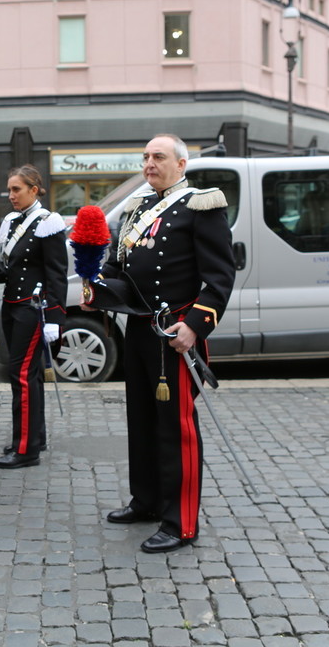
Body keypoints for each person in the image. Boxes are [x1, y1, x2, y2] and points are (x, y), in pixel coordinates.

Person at [94, 134, 235, 553]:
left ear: (182, 163)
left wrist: (196, 325)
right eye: (145, 157)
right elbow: (122, 271)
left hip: (175, 332)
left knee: (176, 429)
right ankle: (148, 501)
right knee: (141, 422)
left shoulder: (200, 205)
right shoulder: (139, 208)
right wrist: (96, 283)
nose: (149, 163)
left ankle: (181, 522)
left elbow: (220, 277)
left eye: (158, 156)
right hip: (139, 329)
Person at [0, 165, 67, 468]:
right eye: (9, 189)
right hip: (11, 305)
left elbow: (57, 274)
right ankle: (35, 437)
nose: (11, 195)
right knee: (27, 377)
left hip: (33, 308)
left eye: (17, 189)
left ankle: (25, 449)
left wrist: (56, 318)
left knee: (21, 376)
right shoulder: (10, 222)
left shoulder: (48, 223)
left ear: (34, 189)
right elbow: (2, 266)